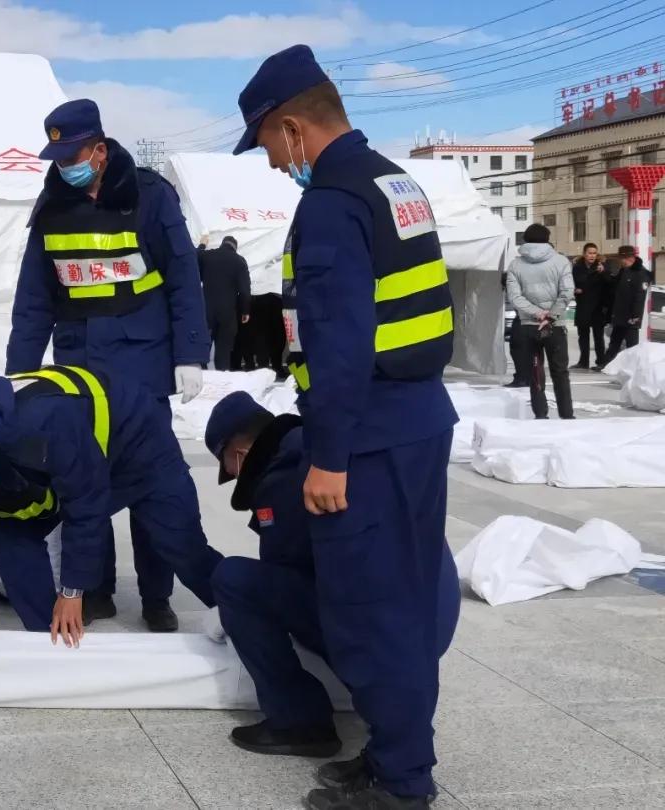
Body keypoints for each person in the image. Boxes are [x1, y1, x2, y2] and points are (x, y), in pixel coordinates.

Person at [232, 45, 460, 809]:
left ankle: (401, 785)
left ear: (292, 126)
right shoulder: (394, 180)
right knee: (402, 595)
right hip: (417, 418)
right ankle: (397, 755)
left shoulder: (330, 200)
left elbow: (336, 342)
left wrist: (327, 457)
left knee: (371, 612)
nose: (268, 162)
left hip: (367, 434)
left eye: (265, 142)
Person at [5, 99, 210, 631]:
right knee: (84, 478)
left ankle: (157, 595)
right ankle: (93, 589)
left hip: (142, 359)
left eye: (72, 155)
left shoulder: (149, 196)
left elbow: (185, 277)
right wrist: (18, 377)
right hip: (79, 364)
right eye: (56, 157)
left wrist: (189, 354)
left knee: (148, 479)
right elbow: (34, 301)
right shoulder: (51, 207)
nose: (63, 166)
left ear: (98, 151)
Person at [205, 393, 460, 761]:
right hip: (429, 618)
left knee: (235, 580)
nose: (231, 475)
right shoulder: (323, 449)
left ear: (240, 451)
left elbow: (282, 566)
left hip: (386, 629)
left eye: (226, 464)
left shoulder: (283, 473)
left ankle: (298, 722)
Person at [0, 365, 225, 646]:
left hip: (135, 437)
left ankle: (241, 611)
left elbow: (87, 503)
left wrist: (72, 591)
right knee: (10, 534)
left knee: (178, 542)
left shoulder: (34, 426)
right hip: (68, 448)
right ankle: (46, 638)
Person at [505, 224, 575, 420]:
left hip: (528, 326)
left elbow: (515, 297)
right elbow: (567, 292)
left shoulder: (515, 265)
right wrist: (551, 316)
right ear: (547, 238)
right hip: (555, 326)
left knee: (535, 371)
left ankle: (541, 415)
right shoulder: (561, 261)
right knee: (560, 372)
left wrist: (537, 314)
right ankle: (567, 416)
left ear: (525, 240)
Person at [200, 235, 252, 370]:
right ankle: (221, 379)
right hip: (227, 313)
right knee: (223, 352)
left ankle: (202, 377)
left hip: (206, 311)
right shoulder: (239, 261)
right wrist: (245, 310)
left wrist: (202, 244)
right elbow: (245, 290)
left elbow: (193, 256)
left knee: (202, 347)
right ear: (235, 247)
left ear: (222, 244)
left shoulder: (207, 256)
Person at [601, 245, 652, 367]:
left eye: (621, 258)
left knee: (631, 345)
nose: (620, 261)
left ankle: (632, 367)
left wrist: (635, 316)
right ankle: (606, 364)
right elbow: (615, 286)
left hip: (631, 317)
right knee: (614, 342)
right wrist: (605, 273)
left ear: (629, 258)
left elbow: (639, 297)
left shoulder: (641, 273)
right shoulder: (624, 271)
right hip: (619, 315)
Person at [570, 243, 610, 370]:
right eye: (590, 253)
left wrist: (603, 273)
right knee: (583, 336)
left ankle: (601, 361)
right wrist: (575, 289)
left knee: (598, 336)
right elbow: (573, 282)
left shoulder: (602, 267)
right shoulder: (577, 267)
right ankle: (583, 361)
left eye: (594, 253)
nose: (592, 255)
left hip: (598, 306)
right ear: (584, 254)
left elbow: (610, 283)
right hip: (583, 305)